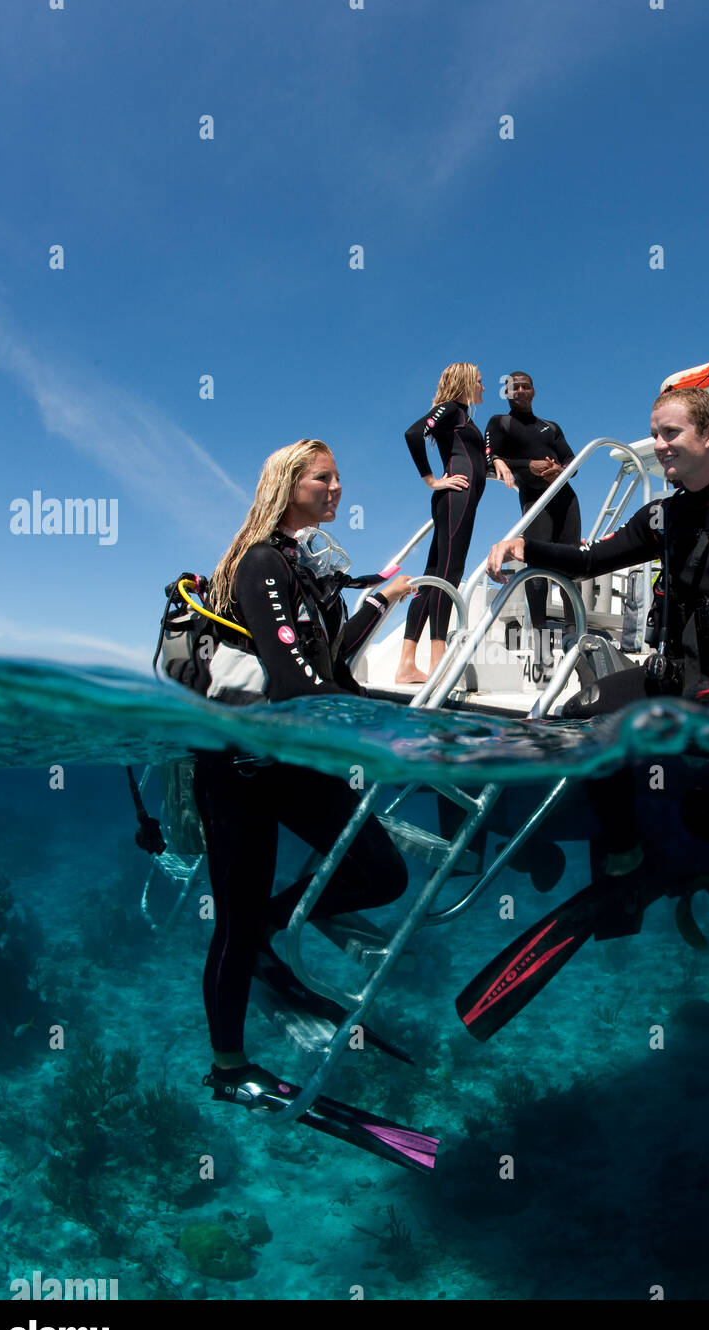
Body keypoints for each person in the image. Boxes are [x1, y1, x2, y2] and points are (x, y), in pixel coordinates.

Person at [193, 438, 426, 1152]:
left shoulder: (299, 565)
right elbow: (296, 685)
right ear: (288, 483)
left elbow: (318, 665)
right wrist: (371, 732)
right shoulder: (263, 560)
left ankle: (272, 928)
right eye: (324, 478)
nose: (337, 488)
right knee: (231, 921)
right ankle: (229, 1067)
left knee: (381, 872)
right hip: (237, 766)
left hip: (285, 759)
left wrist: (377, 606)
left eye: (337, 477)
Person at [486, 386, 709, 873]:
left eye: (671, 432)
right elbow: (590, 559)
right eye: (654, 435)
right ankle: (625, 845)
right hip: (673, 680)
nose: (660, 444)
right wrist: (525, 547)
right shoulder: (662, 517)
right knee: (579, 716)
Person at [395, 363, 514, 684]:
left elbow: (472, 459)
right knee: (450, 573)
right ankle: (437, 662)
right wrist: (432, 480)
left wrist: (497, 467)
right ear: (464, 383)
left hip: (459, 501)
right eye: (479, 381)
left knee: (435, 574)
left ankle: (407, 663)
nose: (484, 387)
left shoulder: (463, 416)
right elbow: (412, 433)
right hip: (454, 499)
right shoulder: (450, 409)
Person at [485, 372, 581, 670]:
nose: (521, 391)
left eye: (526, 386)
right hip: (534, 500)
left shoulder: (550, 427)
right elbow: (488, 460)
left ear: (534, 391)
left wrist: (558, 471)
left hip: (565, 498)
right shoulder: (500, 422)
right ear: (507, 393)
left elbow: (572, 463)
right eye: (515, 387)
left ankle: (574, 637)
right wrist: (530, 465)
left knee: (571, 563)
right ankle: (541, 647)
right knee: (537, 568)